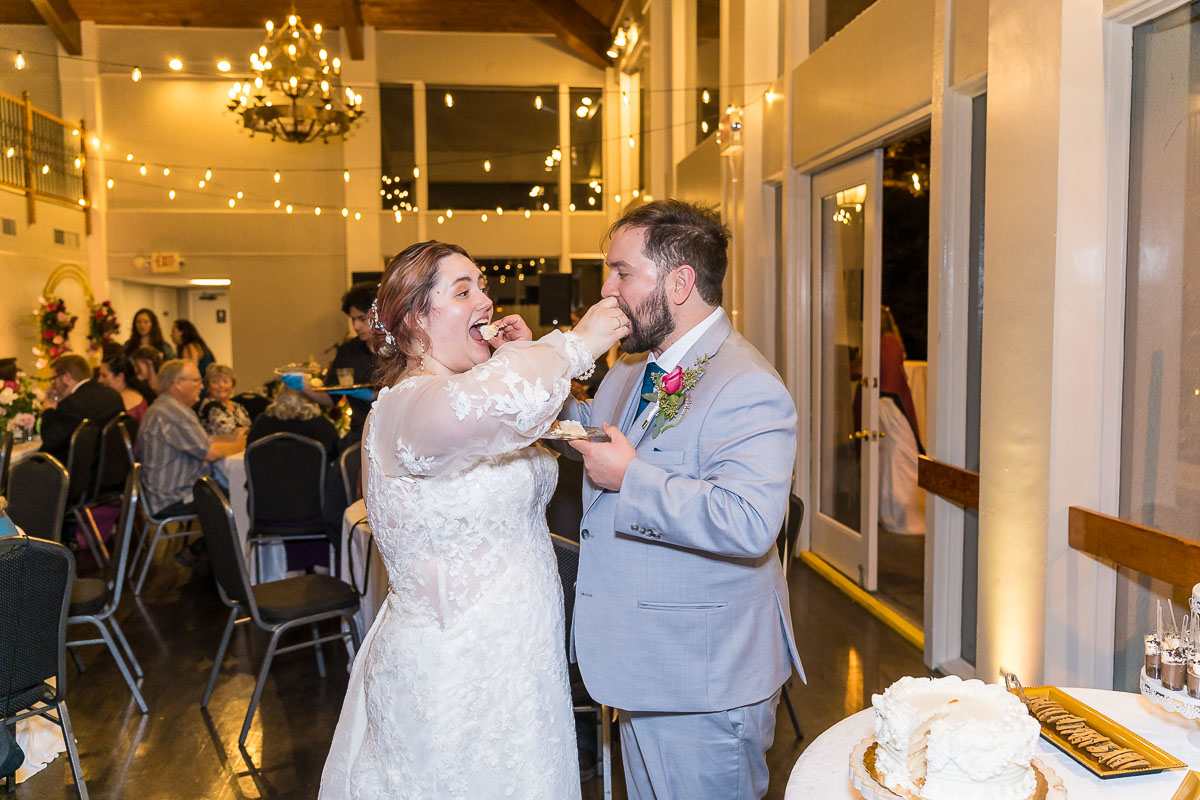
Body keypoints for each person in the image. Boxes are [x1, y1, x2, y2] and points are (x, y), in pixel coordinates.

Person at [319, 241, 629, 799]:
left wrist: (522, 354)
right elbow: (482, 409)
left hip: (523, 660)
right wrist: (575, 344)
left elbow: (505, 413)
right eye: (464, 291)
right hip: (454, 672)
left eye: (482, 287)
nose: (486, 302)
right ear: (415, 318)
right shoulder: (404, 407)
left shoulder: (466, 392)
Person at [560, 200, 802, 800]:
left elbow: (749, 523)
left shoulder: (747, 384)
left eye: (621, 272)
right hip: (644, 661)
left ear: (680, 281)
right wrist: (525, 372)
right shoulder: (632, 369)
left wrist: (634, 478)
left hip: (705, 679)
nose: (607, 290)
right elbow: (596, 433)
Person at [137, 360, 246, 519]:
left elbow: (201, 440)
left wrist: (229, 438)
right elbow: (210, 452)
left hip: (165, 493)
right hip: (174, 498)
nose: (202, 387)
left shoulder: (165, 408)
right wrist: (240, 443)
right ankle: (238, 543)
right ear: (178, 383)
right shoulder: (173, 413)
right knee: (243, 493)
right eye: (196, 381)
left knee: (234, 488)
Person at [298, 282, 378, 444]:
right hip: (360, 433)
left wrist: (375, 396)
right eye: (353, 320)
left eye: (362, 319)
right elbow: (331, 398)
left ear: (378, 314)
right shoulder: (347, 351)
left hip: (393, 433)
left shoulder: (398, 349)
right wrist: (302, 386)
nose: (356, 326)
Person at [39, 354, 125, 467]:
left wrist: (48, 410)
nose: (53, 386)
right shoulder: (113, 395)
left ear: (67, 378)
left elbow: (50, 439)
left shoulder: (73, 403)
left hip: (83, 475)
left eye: (54, 380)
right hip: (114, 469)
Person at [247, 387, 338, 457]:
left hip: (266, 479)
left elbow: (249, 450)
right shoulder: (321, 425)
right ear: (309, 398)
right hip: (311, 479)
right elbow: (336, 453)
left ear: (278, 397)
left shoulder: (262, 423)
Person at [197, 364, 251, 437]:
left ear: (232, 385)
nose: (221, 385)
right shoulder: (209, 406)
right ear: (208, 386)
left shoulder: (238, 406)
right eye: (215, 382)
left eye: (225, 382)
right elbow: (230, 434)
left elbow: (250, 428)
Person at [97, 355, 154, 423]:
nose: (99, 380)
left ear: (119, 377)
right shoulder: (111, 397)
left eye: (104, 376)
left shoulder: (130, 401)